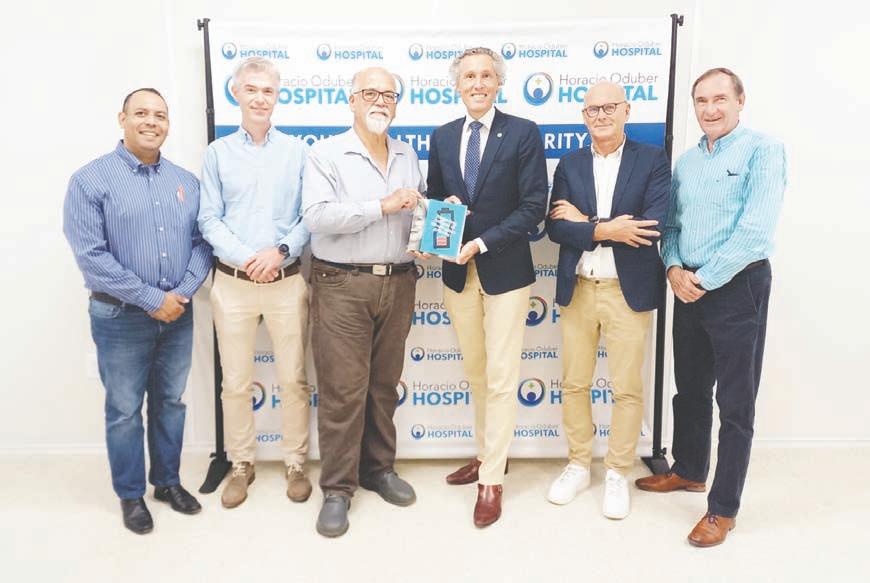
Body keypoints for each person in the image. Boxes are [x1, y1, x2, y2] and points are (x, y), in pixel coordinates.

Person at [636, 68, 786, 547]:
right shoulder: (686, 162)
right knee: (690, 387)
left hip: (737, 286)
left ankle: (723, 509)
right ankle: (689, 469)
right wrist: (674, 268)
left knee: (736, 403)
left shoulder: (763, 151)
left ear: (740, 100)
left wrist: (704, 278)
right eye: (701, 101)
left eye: (720, 99)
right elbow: (671, 226)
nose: (710, 109)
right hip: (688, 285)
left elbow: (755, 232)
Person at [63, 88, 212, 534]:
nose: (152, 121)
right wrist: (152, 299)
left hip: (178, 314)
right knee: (125, 410)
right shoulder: (90, 180)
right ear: (122, 119)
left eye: (160, 115)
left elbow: (202, 244)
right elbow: (91, 256)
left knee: (170, 402)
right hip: (120, 318)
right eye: (142, 113)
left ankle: (167, 483)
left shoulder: (186, 181)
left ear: (168, 124)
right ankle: (130, 496)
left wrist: (180, 294)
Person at [427, 47, 548, 528]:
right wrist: (439, 222)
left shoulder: (523, 132)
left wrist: (480, 241)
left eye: (485, 76)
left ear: (498, 82)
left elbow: (534, 205)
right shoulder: (442, 136)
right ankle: (486, 455)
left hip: (505, 270)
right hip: (458, 273)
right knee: (478, 374)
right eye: (469, 77)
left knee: (500, 377)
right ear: (457, 85)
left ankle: (492, 480)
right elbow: (436, 198)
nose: (477, 84)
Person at [302, 66, 425, 538]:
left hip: (399, 280)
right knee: (343, 391)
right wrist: (382, 206)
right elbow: (316, 217)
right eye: (370, 93)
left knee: (383, 386)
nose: (380, 101)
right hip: (341, 284)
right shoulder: (326, 153)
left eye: (388, 95)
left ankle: (379, 470)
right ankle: (337, 488)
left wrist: (429, 227)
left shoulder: (407, 154)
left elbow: (415, 209)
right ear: (351, 100)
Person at [545, 81, 671, 519]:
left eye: (609, 107)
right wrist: (608, 228)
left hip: (626, 291)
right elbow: (556, 227)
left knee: (626, 389)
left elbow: (651, 225)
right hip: (579, 288)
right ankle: (579, 464)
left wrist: (588, 222)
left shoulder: (652, 160)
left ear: (626, 110)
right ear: (584, 116)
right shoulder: (570, 163)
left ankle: (618, 471)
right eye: (592, 109)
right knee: (574, 384)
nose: (600, 115)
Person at [198, 57, 312, 509]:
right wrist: (248, 258)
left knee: (294, 379)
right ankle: (241, 463)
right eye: (252, 90)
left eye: (268, 90)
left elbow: (309, 215)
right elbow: (209, 218)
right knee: (235, 382)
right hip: (233, 283)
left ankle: (296, 462)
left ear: (277, 96)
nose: (260, 98)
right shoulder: (217, 153)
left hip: (286, 280)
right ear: (237, 93)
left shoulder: (297, 152)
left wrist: (279, 252)